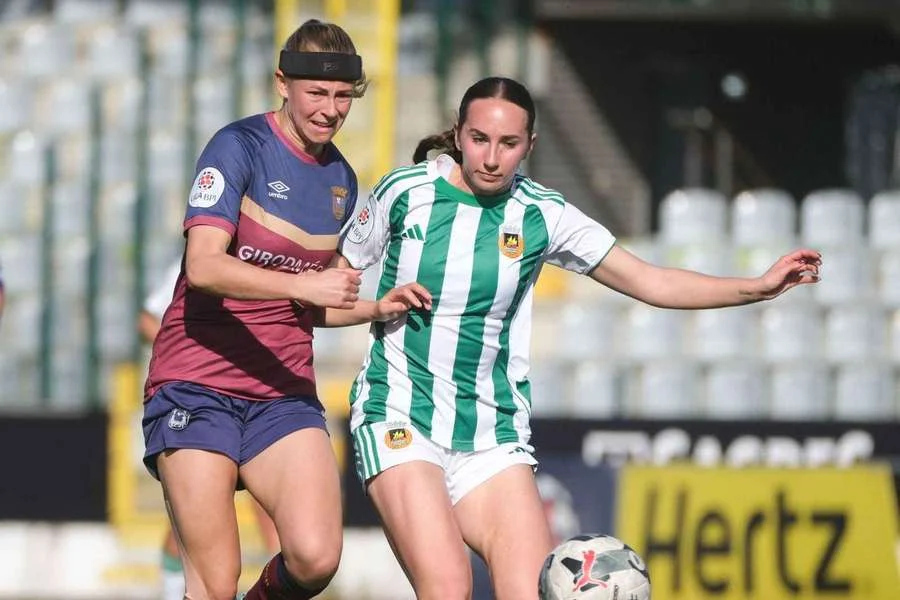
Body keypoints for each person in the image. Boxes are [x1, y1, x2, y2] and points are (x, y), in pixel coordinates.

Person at [337, 76, 822, 600]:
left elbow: (648, 280)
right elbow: (327, 287)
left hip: (491, 436)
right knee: (448, 587)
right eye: (479, 139)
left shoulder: (543, 213)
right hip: (399, 414)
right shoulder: (402, 192)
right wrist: (371, 307)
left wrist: (757, 287)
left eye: (509, 143)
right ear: (457, 135)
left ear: (531, 145)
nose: (492, 157)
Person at [141, 19, 430, 600]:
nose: (330, 109)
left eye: (343, 96)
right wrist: (303, 288)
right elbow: (203, 267)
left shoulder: (343, 181)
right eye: (317, 93)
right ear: (283, 83)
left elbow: (315, 305)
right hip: (196, 386)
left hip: (282, 393)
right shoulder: (238, 146)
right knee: (214, 579)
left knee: (316, 556)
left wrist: (374, 306)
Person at [138, 260, 279, 600]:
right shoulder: (203, 255)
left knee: (277, 516)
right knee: (197, 521)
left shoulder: (282, 255)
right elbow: (147, 318)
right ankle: (176, 589)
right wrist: (190, 355)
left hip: (262, 404)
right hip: (205, 405)